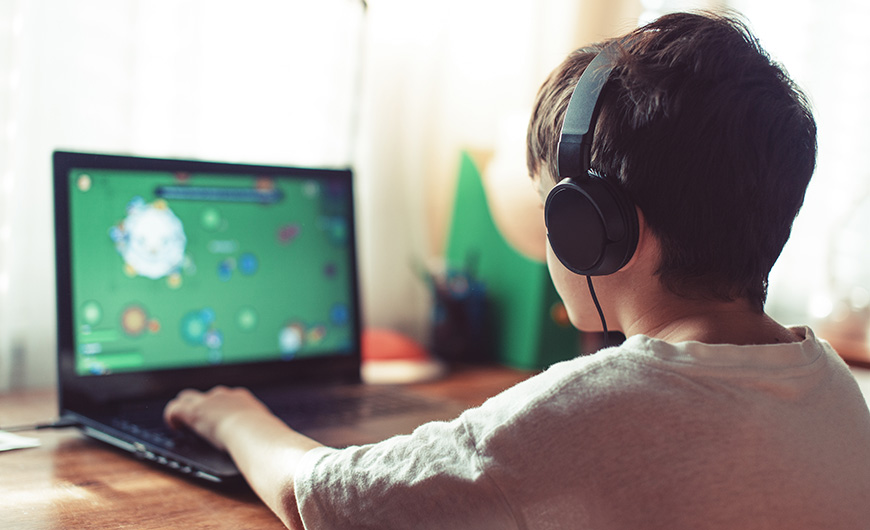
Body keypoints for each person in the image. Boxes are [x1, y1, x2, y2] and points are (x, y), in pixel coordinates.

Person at [164, 11, 870, 529]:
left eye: (549, 207)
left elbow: (315, 498)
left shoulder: (586, 410)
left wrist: (234, 417)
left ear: (592, 226)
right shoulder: (834, 389)